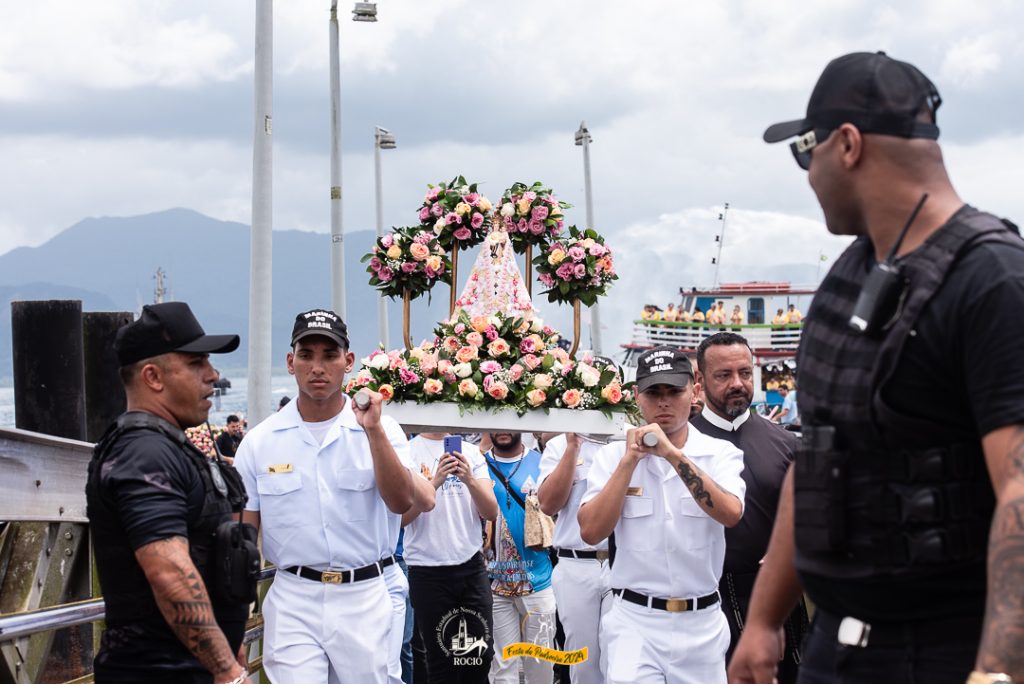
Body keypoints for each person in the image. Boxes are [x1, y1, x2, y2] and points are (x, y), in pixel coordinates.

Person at [729, 51, 1024, 684]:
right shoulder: (849, 275)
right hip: (840, 648)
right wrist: (763, 620)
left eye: (806, 153)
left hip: (948, 653)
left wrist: (999, 670)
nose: (807, 176)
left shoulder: (993, 278)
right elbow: (819, 462)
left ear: (848, 144)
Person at [234, 309, 432, 683]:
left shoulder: (383, 429)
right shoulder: (259, 442)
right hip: (293, 594)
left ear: (348, 362)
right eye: (306, 355)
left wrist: (372, 432)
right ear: (291, 363)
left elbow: (400, 502)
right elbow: (242, 537)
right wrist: (232, 620)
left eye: (329, 355)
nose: (318, 367)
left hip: (363, 595)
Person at [86, 302, 251, 684]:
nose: (213, 375)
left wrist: (230, 648)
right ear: (153, 377)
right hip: (157, 671)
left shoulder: (166, 445)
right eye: (196, 364)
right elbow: (168, 571)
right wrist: (229, 673)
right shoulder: (143, 452)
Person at [577, 345, 746, 684]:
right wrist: (629, 462)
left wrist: (673, 456)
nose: (664, 402)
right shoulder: (612, 457)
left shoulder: (720, 453)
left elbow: (731, 514)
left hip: (701, 624)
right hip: (634, 621)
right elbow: (591, 531)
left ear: (694, 392)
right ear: (637, 396)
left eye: (674, 391)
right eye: (654, 392)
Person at [689, 333, 807, 682]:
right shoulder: (682, 447)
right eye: (723, 375)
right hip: (704, 600)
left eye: (745, 373)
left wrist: (792, 546)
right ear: (700, 381)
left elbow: (811, 511)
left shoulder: (785, 443)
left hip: (776, 593)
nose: (737, 383)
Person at [403, 432, 499, 683]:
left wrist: (469, 480)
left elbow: (490, 511)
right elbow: (399, 519)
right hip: (427, 569)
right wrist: (433, 483)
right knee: (439, 658)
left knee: (480, 655)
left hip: (470, 566)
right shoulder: (407, 452)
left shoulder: (471, 453)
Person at [538, 431, 613, 684]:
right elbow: (548, 505)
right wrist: (573, 447)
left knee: (619, 655)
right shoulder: (559, 445)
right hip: (575, 563)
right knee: (583, 662)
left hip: (621, 563)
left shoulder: (628, 439)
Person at [483, 431, 556, 684]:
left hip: (538, 580)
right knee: (502, 666)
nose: (503, 431)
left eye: (509, 425)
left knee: (540, 663)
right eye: (497, 425)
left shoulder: (541, 461)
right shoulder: (479, 464)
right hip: (494, 583)